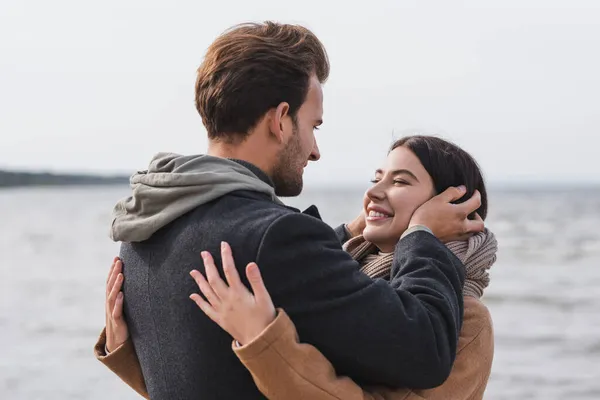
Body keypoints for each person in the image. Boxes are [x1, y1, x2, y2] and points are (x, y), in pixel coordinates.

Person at [96, 21, 484, 400]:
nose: (315, 149)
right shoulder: (277, 238)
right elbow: (425, 351)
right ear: (280, 120)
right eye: (313, 126)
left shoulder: (144, 232)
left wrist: (350, 232)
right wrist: (422, 235)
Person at [96, 135, 496, 400]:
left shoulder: (467, 322)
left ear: (449, 207)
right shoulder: (351, 280)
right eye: (377, 178)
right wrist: (132, 351)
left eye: (401, 182)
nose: (374, 191)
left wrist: (263, 340)